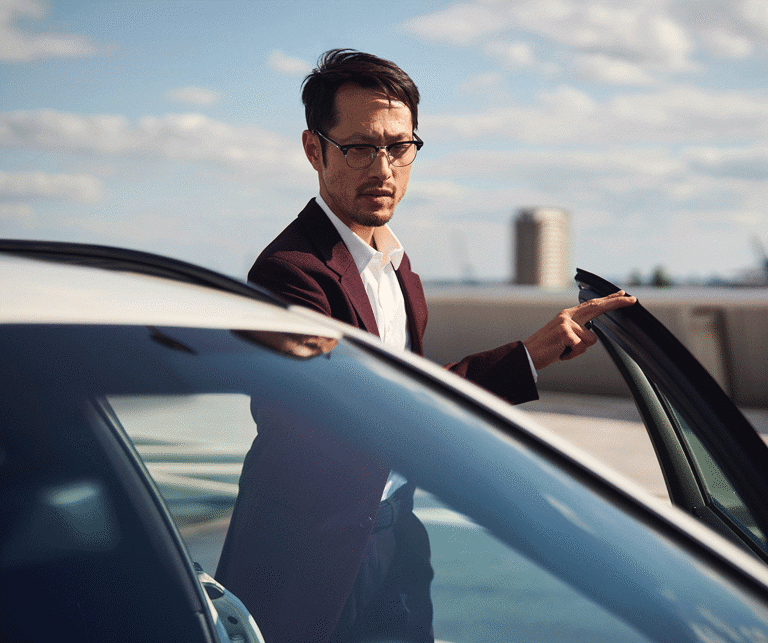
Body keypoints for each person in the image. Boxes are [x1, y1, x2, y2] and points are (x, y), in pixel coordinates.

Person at [216, 49, 636, 643]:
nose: (383, 167)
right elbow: (361, 411)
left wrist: (533, 353)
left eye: (399, 146)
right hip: (310, 555)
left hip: (394, 538)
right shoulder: (291, 273)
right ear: (314, 150)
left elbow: (400, 393)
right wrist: (526, 356)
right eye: (359, 146)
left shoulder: (396, 265)